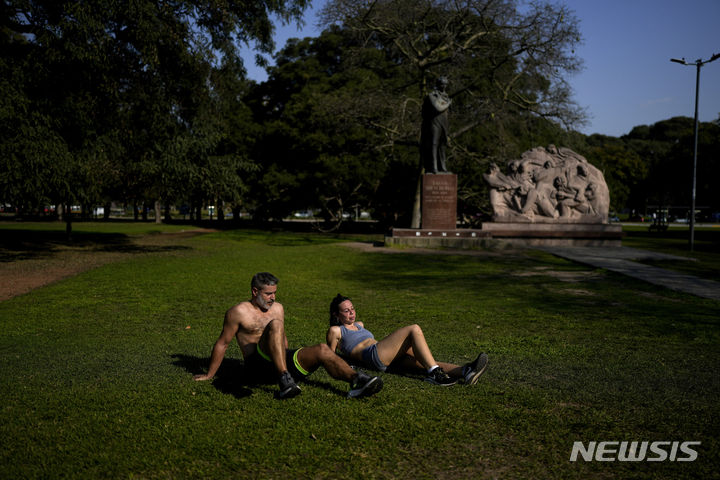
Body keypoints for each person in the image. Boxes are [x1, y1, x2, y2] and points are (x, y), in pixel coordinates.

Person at [194, 273, 383, 399]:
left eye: (275, 293)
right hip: (257, 366)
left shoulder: (278, 308)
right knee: (275, 324)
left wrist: (289, 358)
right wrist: (210, 374)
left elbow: (282, 340)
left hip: (280, 360)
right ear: (254, 291)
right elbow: (223, 343)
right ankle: (284, 379)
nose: (273, 298)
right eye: (268, 294)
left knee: (322, 349)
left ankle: (357, 380)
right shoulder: (238, 312)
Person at [325, 294, 488, 386]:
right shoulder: (336, 330)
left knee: (426, 361)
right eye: (346, 311)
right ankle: (434, 375)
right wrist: (350, 365)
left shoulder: (360, 325)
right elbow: (329, 356)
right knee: (413, 329)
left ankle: (466, 371)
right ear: (336, 315)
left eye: (352, 309)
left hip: (386, 356)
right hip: (373, 356)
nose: (351, 313)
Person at [421, 76, 452, 174]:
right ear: (438, 84)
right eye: (442, 84)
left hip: (444, 123)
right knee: (434, 144)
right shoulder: (432, 95)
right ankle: (433, 167)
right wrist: (448, 103)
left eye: (445, 84)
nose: (444, 86)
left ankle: (442, 167)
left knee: (443, 145)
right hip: (434, 122)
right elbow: (438, 107)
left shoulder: (446, 96)